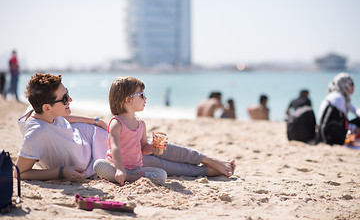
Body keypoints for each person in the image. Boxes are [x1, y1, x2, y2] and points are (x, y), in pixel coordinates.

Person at [15, 73, 235, 182]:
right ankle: (206, 170)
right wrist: (61, 172)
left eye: (68, 93)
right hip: (107, 158)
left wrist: (95, 121)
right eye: (64, 99)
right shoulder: (37, 133)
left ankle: (208, 160)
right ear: (47, 106)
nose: (70, 100)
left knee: (159, 147)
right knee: (158, 160)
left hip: (100, 137)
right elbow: (19, 172)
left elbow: (61, 121)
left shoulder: (41, 112)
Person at [93, 77, 167, 185]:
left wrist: (155, 147)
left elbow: (144, 148)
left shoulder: (141, 124)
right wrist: (119, 169)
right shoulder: (116, 123)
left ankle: (129, 177)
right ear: (128, 100)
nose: (145, 99)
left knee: (162, 174)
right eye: (142, 95)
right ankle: (126, 176)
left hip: (136, 169)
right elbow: (115, 148)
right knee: (99, 165)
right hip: (115, 166)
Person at [317, 72, 360, 145]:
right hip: (329, 134)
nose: (353, 87)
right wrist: (354, 128)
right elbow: (340, 122)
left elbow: (355, 110)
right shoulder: (338, 98)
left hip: (322, 131)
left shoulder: (339, 96)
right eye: (351, 84)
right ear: (345, 85)